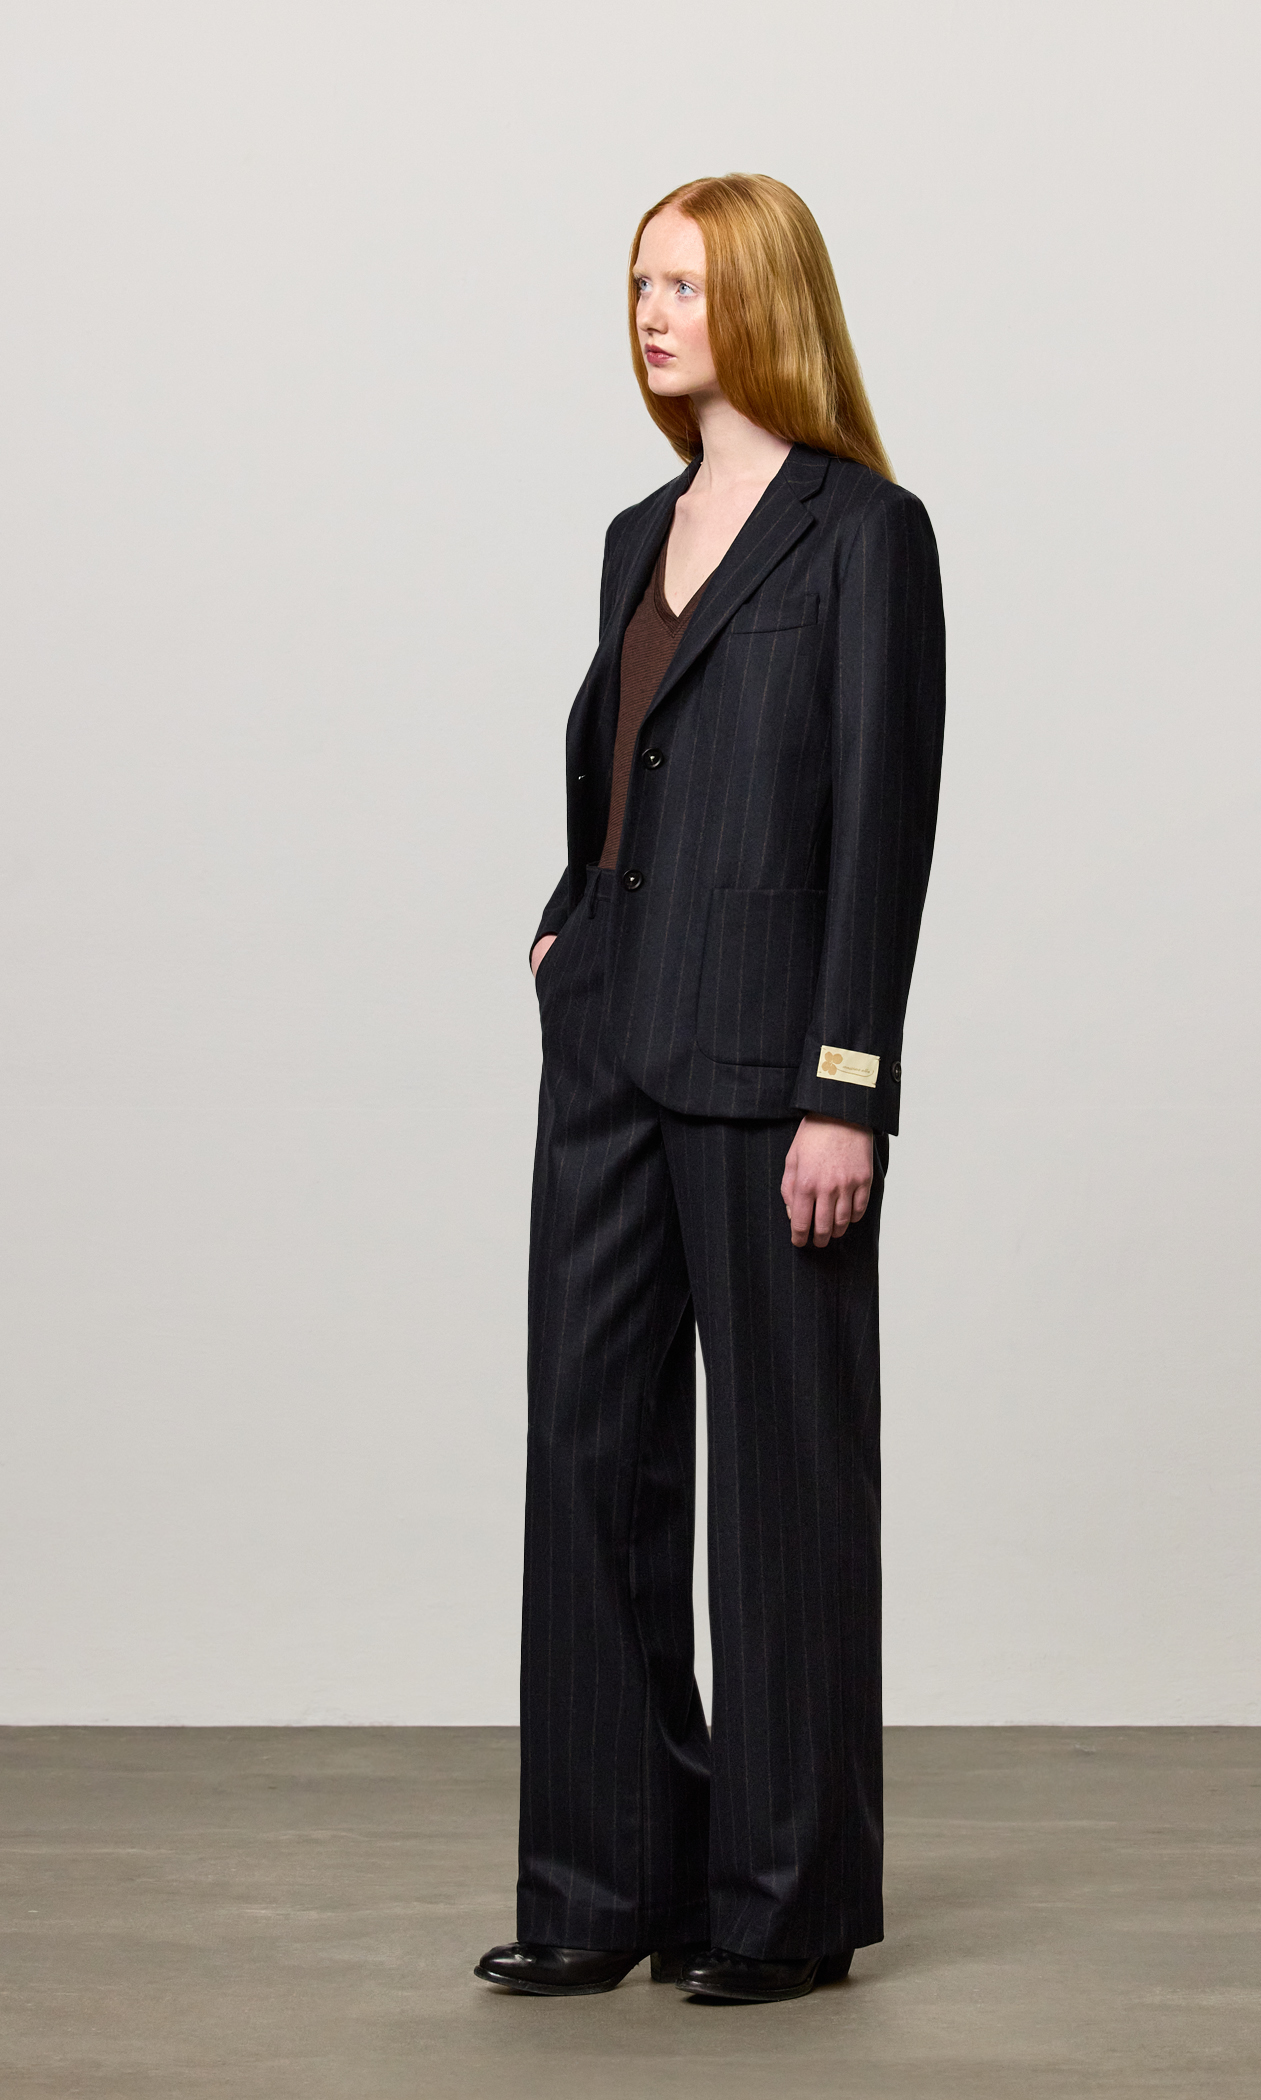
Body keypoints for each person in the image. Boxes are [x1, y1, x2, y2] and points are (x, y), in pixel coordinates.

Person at [476, 173, 945, 2006]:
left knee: (784, 1484)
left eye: (682, 284)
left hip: (771, 1067)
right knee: (588, 1458)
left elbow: (879, 828)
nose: (651, 315)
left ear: (761, 301)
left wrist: (850, 1086)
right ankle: (605, 1887)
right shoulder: (636, 532)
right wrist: (562, 924)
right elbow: (628, 761)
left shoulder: (864, 535)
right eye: (640, 285)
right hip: (608, 1037)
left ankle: (783, 1903)